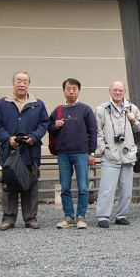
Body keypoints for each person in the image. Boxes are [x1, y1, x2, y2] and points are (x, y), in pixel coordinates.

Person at [0, 71, 49, 230]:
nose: (22, 84)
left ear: (29, 84)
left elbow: (44, 124)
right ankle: (8, 218)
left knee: (30, 184)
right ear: (13, 83)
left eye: (25, 81)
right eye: (19, 81)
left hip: (30, 152)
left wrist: (34, 137)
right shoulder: (2, 103)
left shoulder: (38, 104)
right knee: (9, 185)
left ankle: (30, 218)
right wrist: (8, 139)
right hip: (9, 152)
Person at [48, 78, 97, 229]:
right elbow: (49, 129)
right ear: (63, 91)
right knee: (65, 187)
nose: (71, 92)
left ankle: (81, 216)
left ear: (79, 91)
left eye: (74, 89)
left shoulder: (85, 109)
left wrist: (92, 152)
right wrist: (55, 125)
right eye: (68, 89)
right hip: (63, 153)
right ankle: (68, 216)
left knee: (83, 187)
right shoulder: (58, 111)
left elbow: (93, 131)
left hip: (82, 153)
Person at [95, 81, 140, 228]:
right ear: (110, 91)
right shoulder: (102, 109)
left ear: (124, 92)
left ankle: (121, 215)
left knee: (126, 188)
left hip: (127, 153)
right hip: (110, 153)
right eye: (115, 90)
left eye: (120, 90)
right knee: (107, 188)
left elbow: (139, 128)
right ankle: (103, 216)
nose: (117, 93)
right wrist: (102, 149)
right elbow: (98, 131)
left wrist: (133, 119)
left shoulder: (132, 108)